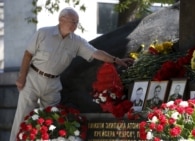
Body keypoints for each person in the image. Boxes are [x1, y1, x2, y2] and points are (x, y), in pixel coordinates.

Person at [10, 7, 134, 141]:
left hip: (53, 83)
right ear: (61, 20)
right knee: (23, 116)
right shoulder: (43, 33)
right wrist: (21, 77)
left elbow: (96, 53)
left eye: (77, 22)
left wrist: (116, 59)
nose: (75, 25)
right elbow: (28, 54)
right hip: (33, 78)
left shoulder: (77, 41)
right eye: (73, 22)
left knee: (52, 118)